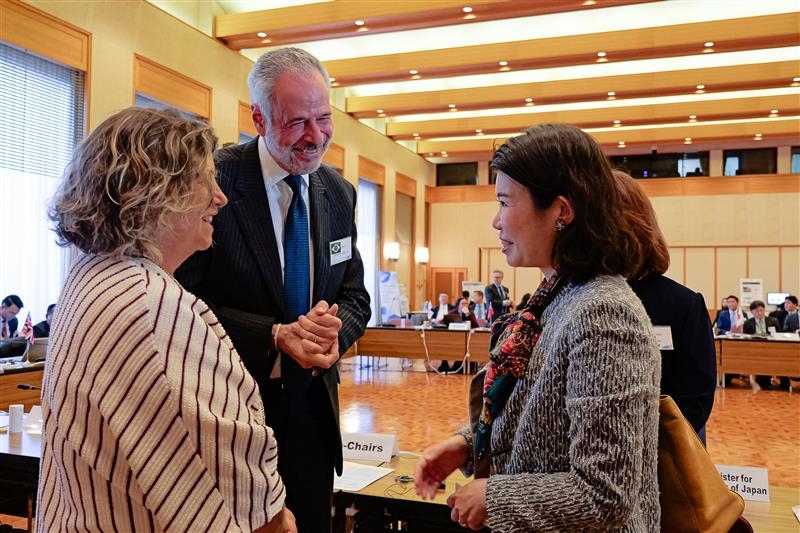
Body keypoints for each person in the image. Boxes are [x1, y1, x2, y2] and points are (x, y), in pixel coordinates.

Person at [38, 107, 296, 532]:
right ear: (160, 190)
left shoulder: (90, 274)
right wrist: (280, 520)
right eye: (206, 179)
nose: (220, 196)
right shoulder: (151, 304)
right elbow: (232, 463)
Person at [415, 124, 660, 531]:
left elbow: (605, 493)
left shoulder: (604, 314)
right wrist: (465, 443)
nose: (496, 221)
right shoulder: (558, 294)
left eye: (505, 202)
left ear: (562, 211)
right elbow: (536, 417)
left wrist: (494, 495)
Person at [175, 47, 371, 533]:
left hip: (312, 414)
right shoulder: (212, 180)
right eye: (297, 121)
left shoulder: (339, 192)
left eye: (323, 118)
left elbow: (355, 296)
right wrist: (275, 335)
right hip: (227, 415)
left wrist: (329, 334)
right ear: (259, 117)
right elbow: (182, 299)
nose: (315, 136)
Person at [615, 171, 716, 438]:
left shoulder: (683, 304)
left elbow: (694, 402)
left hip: (661, 455)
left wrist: (632, 445)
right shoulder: (573, 295)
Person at [744, 300, 787, 390]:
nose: (759, 313)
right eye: (756, 311)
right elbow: (746, 337)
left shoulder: (773, 320)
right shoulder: (748, 323)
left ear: (764, 310)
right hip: (755, 349)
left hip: (772, 348)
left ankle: (784, 382)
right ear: (752, 312)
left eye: (761, 310)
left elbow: (778, 334)